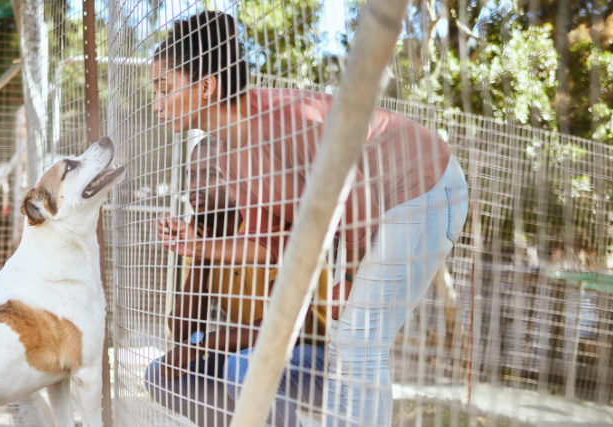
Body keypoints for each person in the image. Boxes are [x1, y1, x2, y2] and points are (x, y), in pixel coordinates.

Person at [149, 11, 469, 427]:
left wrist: (348, 281)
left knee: (357, 341)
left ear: (206, 87)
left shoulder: (286, 120)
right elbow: (271, 243)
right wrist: (197, 244)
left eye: (163, 88)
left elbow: (360, 205)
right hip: (376, 213)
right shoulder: (228, 156)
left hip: (423, 188)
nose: (155, 103)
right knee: (351, 342)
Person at [144, 136, 333, 427]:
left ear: (239, 182)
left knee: (239, 367)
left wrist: (204, 346)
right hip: (246, 355)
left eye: (211, 173)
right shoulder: (206, 238)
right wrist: (202, 255)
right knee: (158, 375)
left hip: (312, 359)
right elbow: (183, 332)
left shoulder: (272, 225)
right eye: (192, 174)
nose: (196, 184)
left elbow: (284, 327)